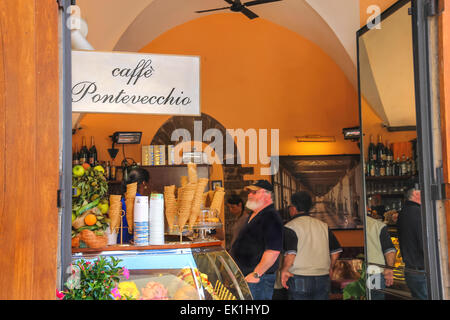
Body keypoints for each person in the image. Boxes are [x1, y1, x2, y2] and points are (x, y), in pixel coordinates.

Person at [281, 191, 343, 300]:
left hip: (299, 277)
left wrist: (284, 270)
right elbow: (336, 252)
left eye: (290, 206)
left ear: (294, 208)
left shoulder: (290, 227)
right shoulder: (323, 226)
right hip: (322, 278)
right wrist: (330, 267)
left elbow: (291, 254)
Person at [230, 180, 283, 300]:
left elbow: (273, 251)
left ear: (267, 194)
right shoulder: (254, 214)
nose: (249, 195)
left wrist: (256, 274)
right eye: (249, 192)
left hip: (258, 279)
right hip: (248, 276)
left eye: (254, 192)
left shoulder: (271, 216)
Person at [397, 181, 428, 300]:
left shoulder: (404, 212)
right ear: (416, 194)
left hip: (411, 271)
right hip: (421, 272)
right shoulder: (418, 213)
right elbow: (424, 244)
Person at [365, 215, 396, 300]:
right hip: (374, 271)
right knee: (376, 297)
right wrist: (389, 269)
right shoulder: (377, 225)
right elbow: (389, 251)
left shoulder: (339, 225)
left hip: (352, 273)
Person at [117, 167, 150, 244]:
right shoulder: (140, 200)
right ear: (144, 183)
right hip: (135, 242)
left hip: (120, 242)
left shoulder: (122, 199)